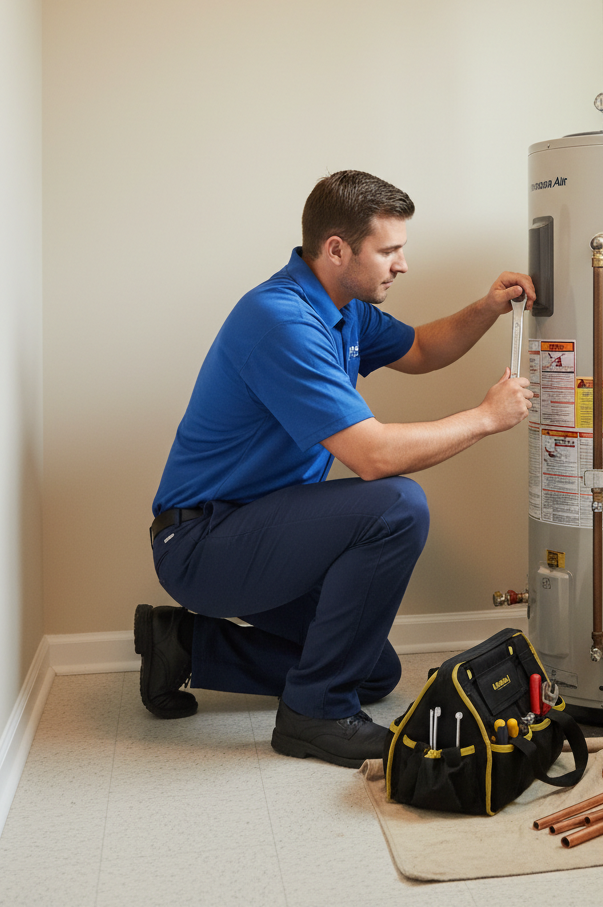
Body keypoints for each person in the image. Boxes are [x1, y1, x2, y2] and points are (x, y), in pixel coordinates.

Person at [137, 169, 534, 768]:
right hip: (204, 541)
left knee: (374, 670)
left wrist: (487, 308)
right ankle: (314, 717)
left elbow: (422, 348)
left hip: (263, 532)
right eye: (390, 250)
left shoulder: (344, 308)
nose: (401, 264)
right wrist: (485, 418)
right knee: (397, 505)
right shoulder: (281, 320)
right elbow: (372, 457)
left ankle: (185, 646)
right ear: (337, 249)